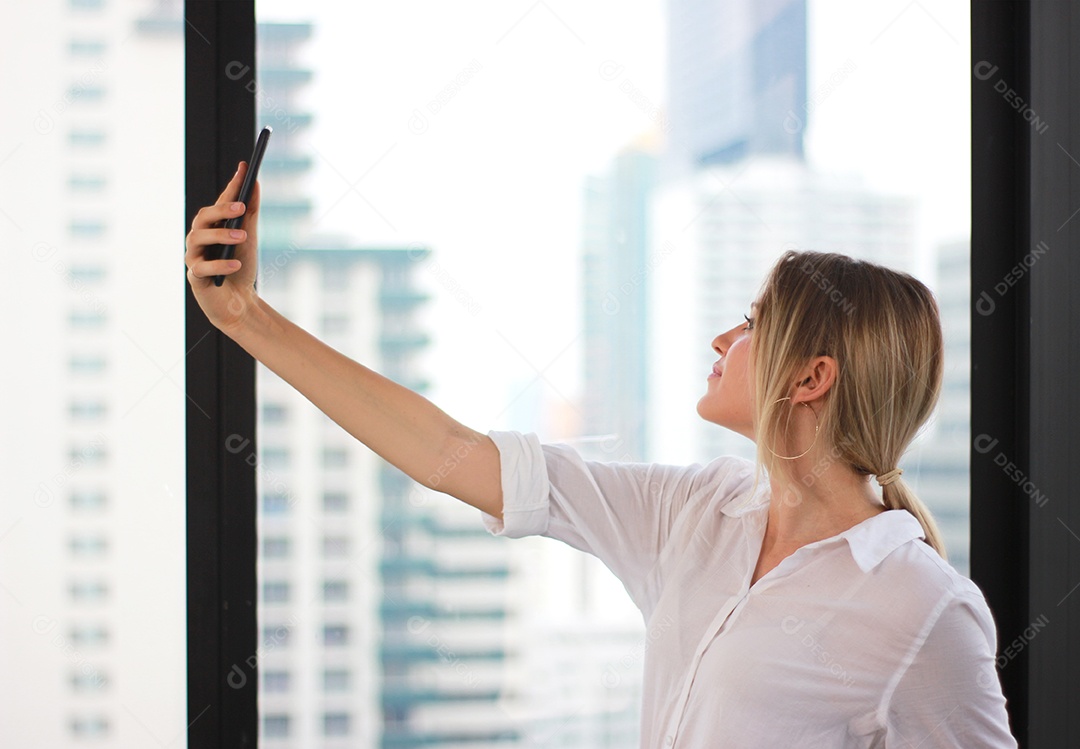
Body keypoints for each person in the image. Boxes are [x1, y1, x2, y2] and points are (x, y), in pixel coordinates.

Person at [186, 163, 1019, 748]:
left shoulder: (923, 610)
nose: (724, 338)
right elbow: (447, 454)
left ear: (811, 377)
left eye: (754, 323)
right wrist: (247, 320)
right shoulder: (693, 513)